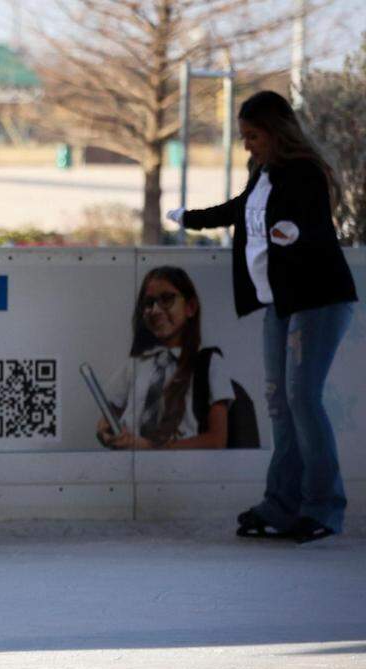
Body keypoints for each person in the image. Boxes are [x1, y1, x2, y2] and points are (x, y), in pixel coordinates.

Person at [169, 90, 357, 543]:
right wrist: (190, 217)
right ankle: (281, 503)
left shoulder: (305, 171)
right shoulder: (263, 173)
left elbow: (311, 225)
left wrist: (291, 233)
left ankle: (324, 507)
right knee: (279, 402)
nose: (247, 144)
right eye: (244, 137)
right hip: (279, 304)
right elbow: (239, 211)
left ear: (276, 132)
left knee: (303, 399)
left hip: (317, 301)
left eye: (253, 136)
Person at [98, 267, 236, 451]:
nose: (155, 310)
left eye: (167, 299)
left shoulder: (208, 363)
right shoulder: (136, 364)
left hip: (183, 472)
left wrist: (151, 448)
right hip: (130, 469)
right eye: (148, 303)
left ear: (190, 307)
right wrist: (106, 433)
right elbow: (106, 421)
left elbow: (216, 440)